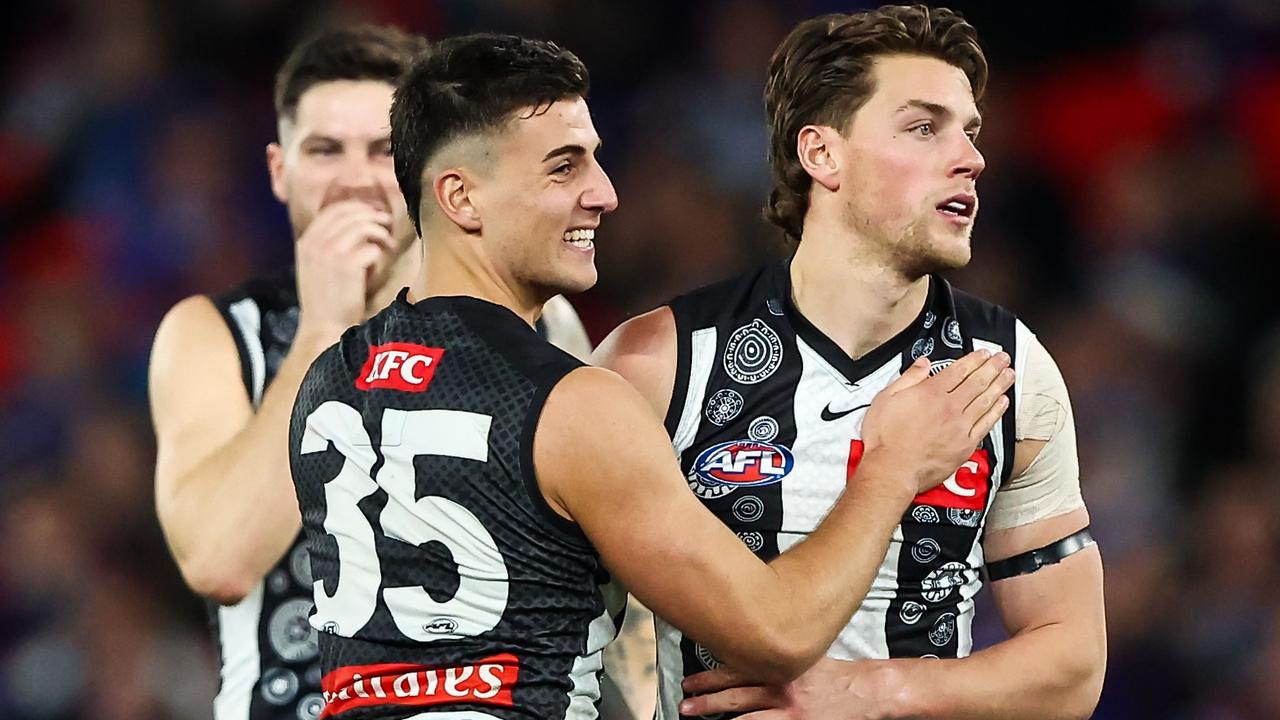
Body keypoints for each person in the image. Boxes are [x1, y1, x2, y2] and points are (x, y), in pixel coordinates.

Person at [288, 31, 1014, 720]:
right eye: (563, 166)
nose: (604, 193)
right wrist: (893, 467)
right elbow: (777, 633)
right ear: (460, 197)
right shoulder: (574, 405)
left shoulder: (328, 381)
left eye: (595, 160)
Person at [594, 5, 1106, 719]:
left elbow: (1073, 666)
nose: (971, 157)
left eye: (970, 131)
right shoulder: (657, 362)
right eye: (924, 127)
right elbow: (571, 632)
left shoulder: (1006, 371)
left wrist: (875, 691)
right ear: (822, 154)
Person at [148, 25, 597, 720]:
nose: (356, 178)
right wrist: (324, 332)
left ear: (423, 163)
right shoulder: (212, 334)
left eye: (383, 149)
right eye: (324, 151)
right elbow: (220, 561)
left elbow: (599, 569)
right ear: (278, 171)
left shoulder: (538, 323)